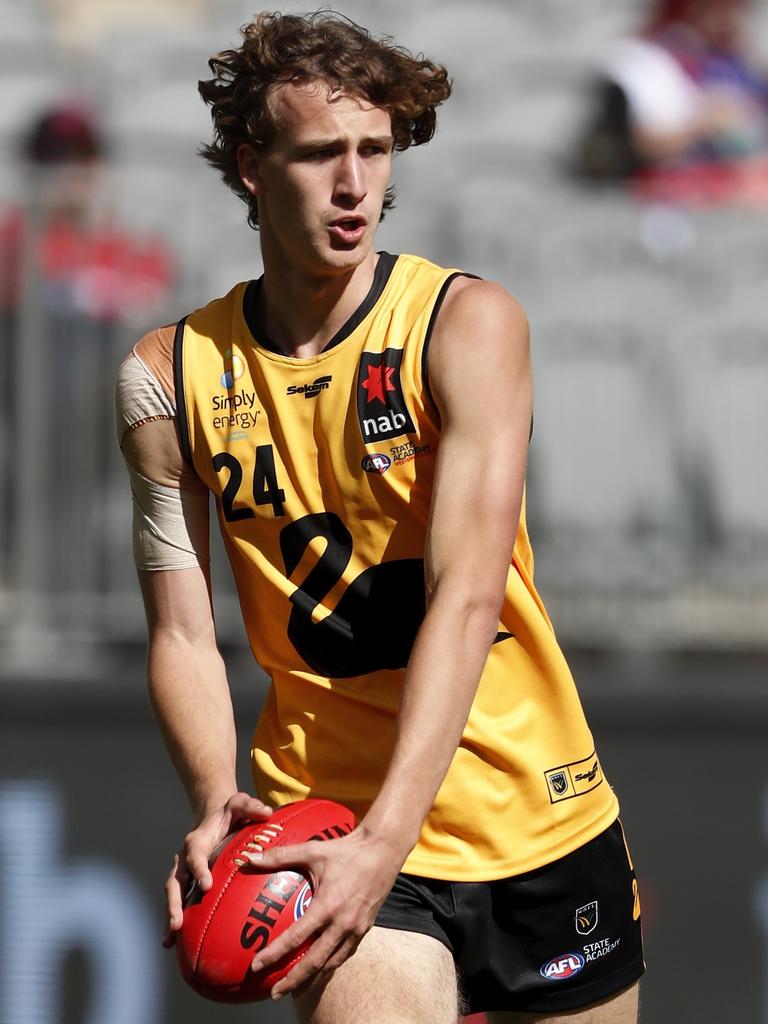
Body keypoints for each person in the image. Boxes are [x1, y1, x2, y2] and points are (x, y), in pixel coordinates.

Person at [115, 12, 644, 1023]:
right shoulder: (165, 377)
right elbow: (182, 629)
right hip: (332, 822)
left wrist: (387, 840)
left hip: (534, 812)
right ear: (251, 167)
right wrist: (214, 790)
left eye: (375, 150)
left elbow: (466, 597)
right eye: (321, 153)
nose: (356, 184)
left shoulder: (465, 324)